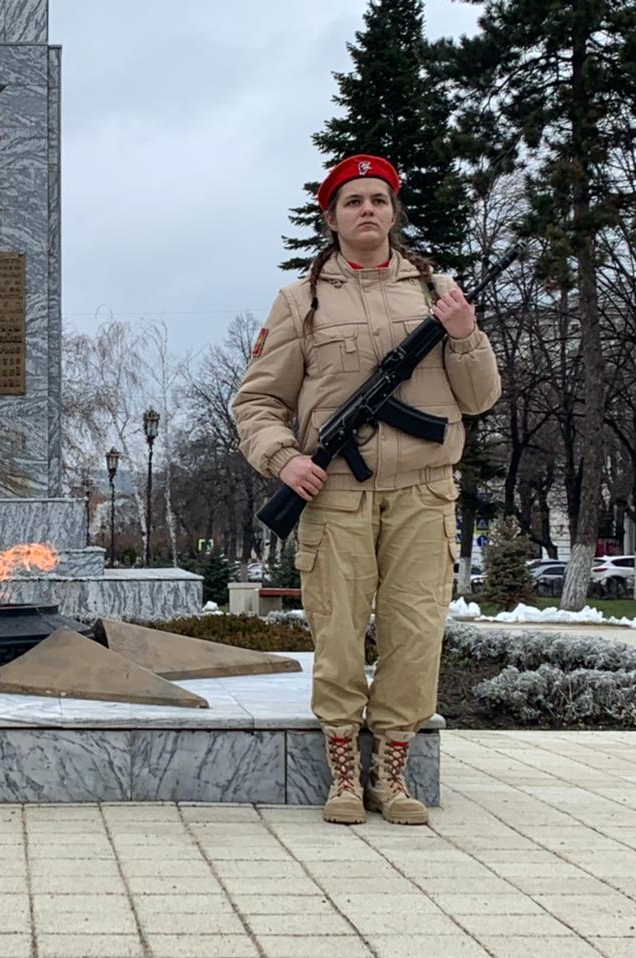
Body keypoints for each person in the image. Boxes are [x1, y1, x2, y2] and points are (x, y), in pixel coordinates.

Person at [233, 154, 500, 825]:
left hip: (424, 494)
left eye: (379, 200)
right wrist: (283, 459)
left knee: (414, 634)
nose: (368, 212)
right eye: (353, 201)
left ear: (394, 211)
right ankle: (346, 777)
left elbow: (481, 397)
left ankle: (396, 776)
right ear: (332, 217)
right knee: (340, 635)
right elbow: (258, 402)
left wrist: (464, 336)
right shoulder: (302, 302)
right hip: (338, 494)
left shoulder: (436, 295)